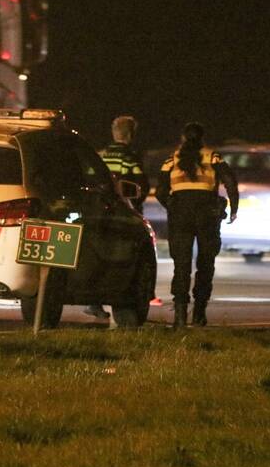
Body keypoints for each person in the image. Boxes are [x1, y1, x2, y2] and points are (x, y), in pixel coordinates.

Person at [155, 123, 238, 328]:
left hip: (180, 215)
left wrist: (172, 206)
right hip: (207, 214)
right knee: (205, 264)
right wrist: (233, 208)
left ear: (183, 138)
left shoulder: (171, 160)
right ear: (202, 138)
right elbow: (230, 181)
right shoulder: (213, 156)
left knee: (181, 265)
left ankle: (180, 315)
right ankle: (199, 313)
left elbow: (159, 191)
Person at [84, 115, 149, 321]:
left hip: (98, 210)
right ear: (131, 135)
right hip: (122, 213)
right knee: (122, 258)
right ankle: (121, 303)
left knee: (97, 255)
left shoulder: (100, 155)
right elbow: (141, 184)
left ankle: (93, 302)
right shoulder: (129, 157)